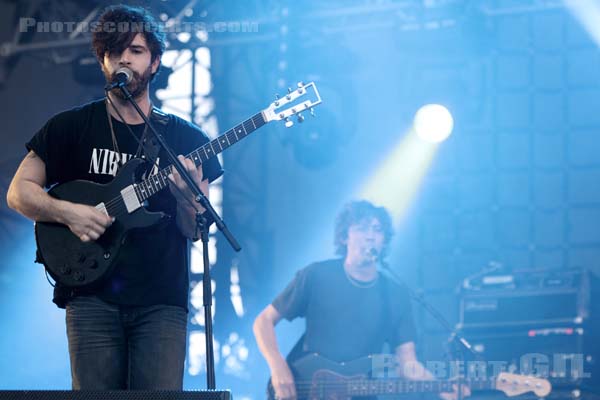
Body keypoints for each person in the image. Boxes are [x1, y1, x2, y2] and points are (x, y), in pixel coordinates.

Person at [6, 5, 223, 390]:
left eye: (136, 50)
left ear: (155, 62)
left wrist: (185, 195)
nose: (125, 58)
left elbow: (195, 231)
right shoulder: (72, 126)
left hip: (161, 301)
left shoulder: (186, 140)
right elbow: (18, 193)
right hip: (90, 296)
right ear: (103, 62)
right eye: (115, 51)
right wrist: (69, 212)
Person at [253, 200, 469, 400]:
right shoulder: (316, 275)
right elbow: (263, 321)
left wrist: (439, 385)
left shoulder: (395, 294)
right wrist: (278, 366)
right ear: (344, 237)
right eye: (363, 228)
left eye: (377, 230)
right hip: (306, 389)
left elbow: (408, 363)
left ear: (384, 241)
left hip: (360, 393)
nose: (370, 236)